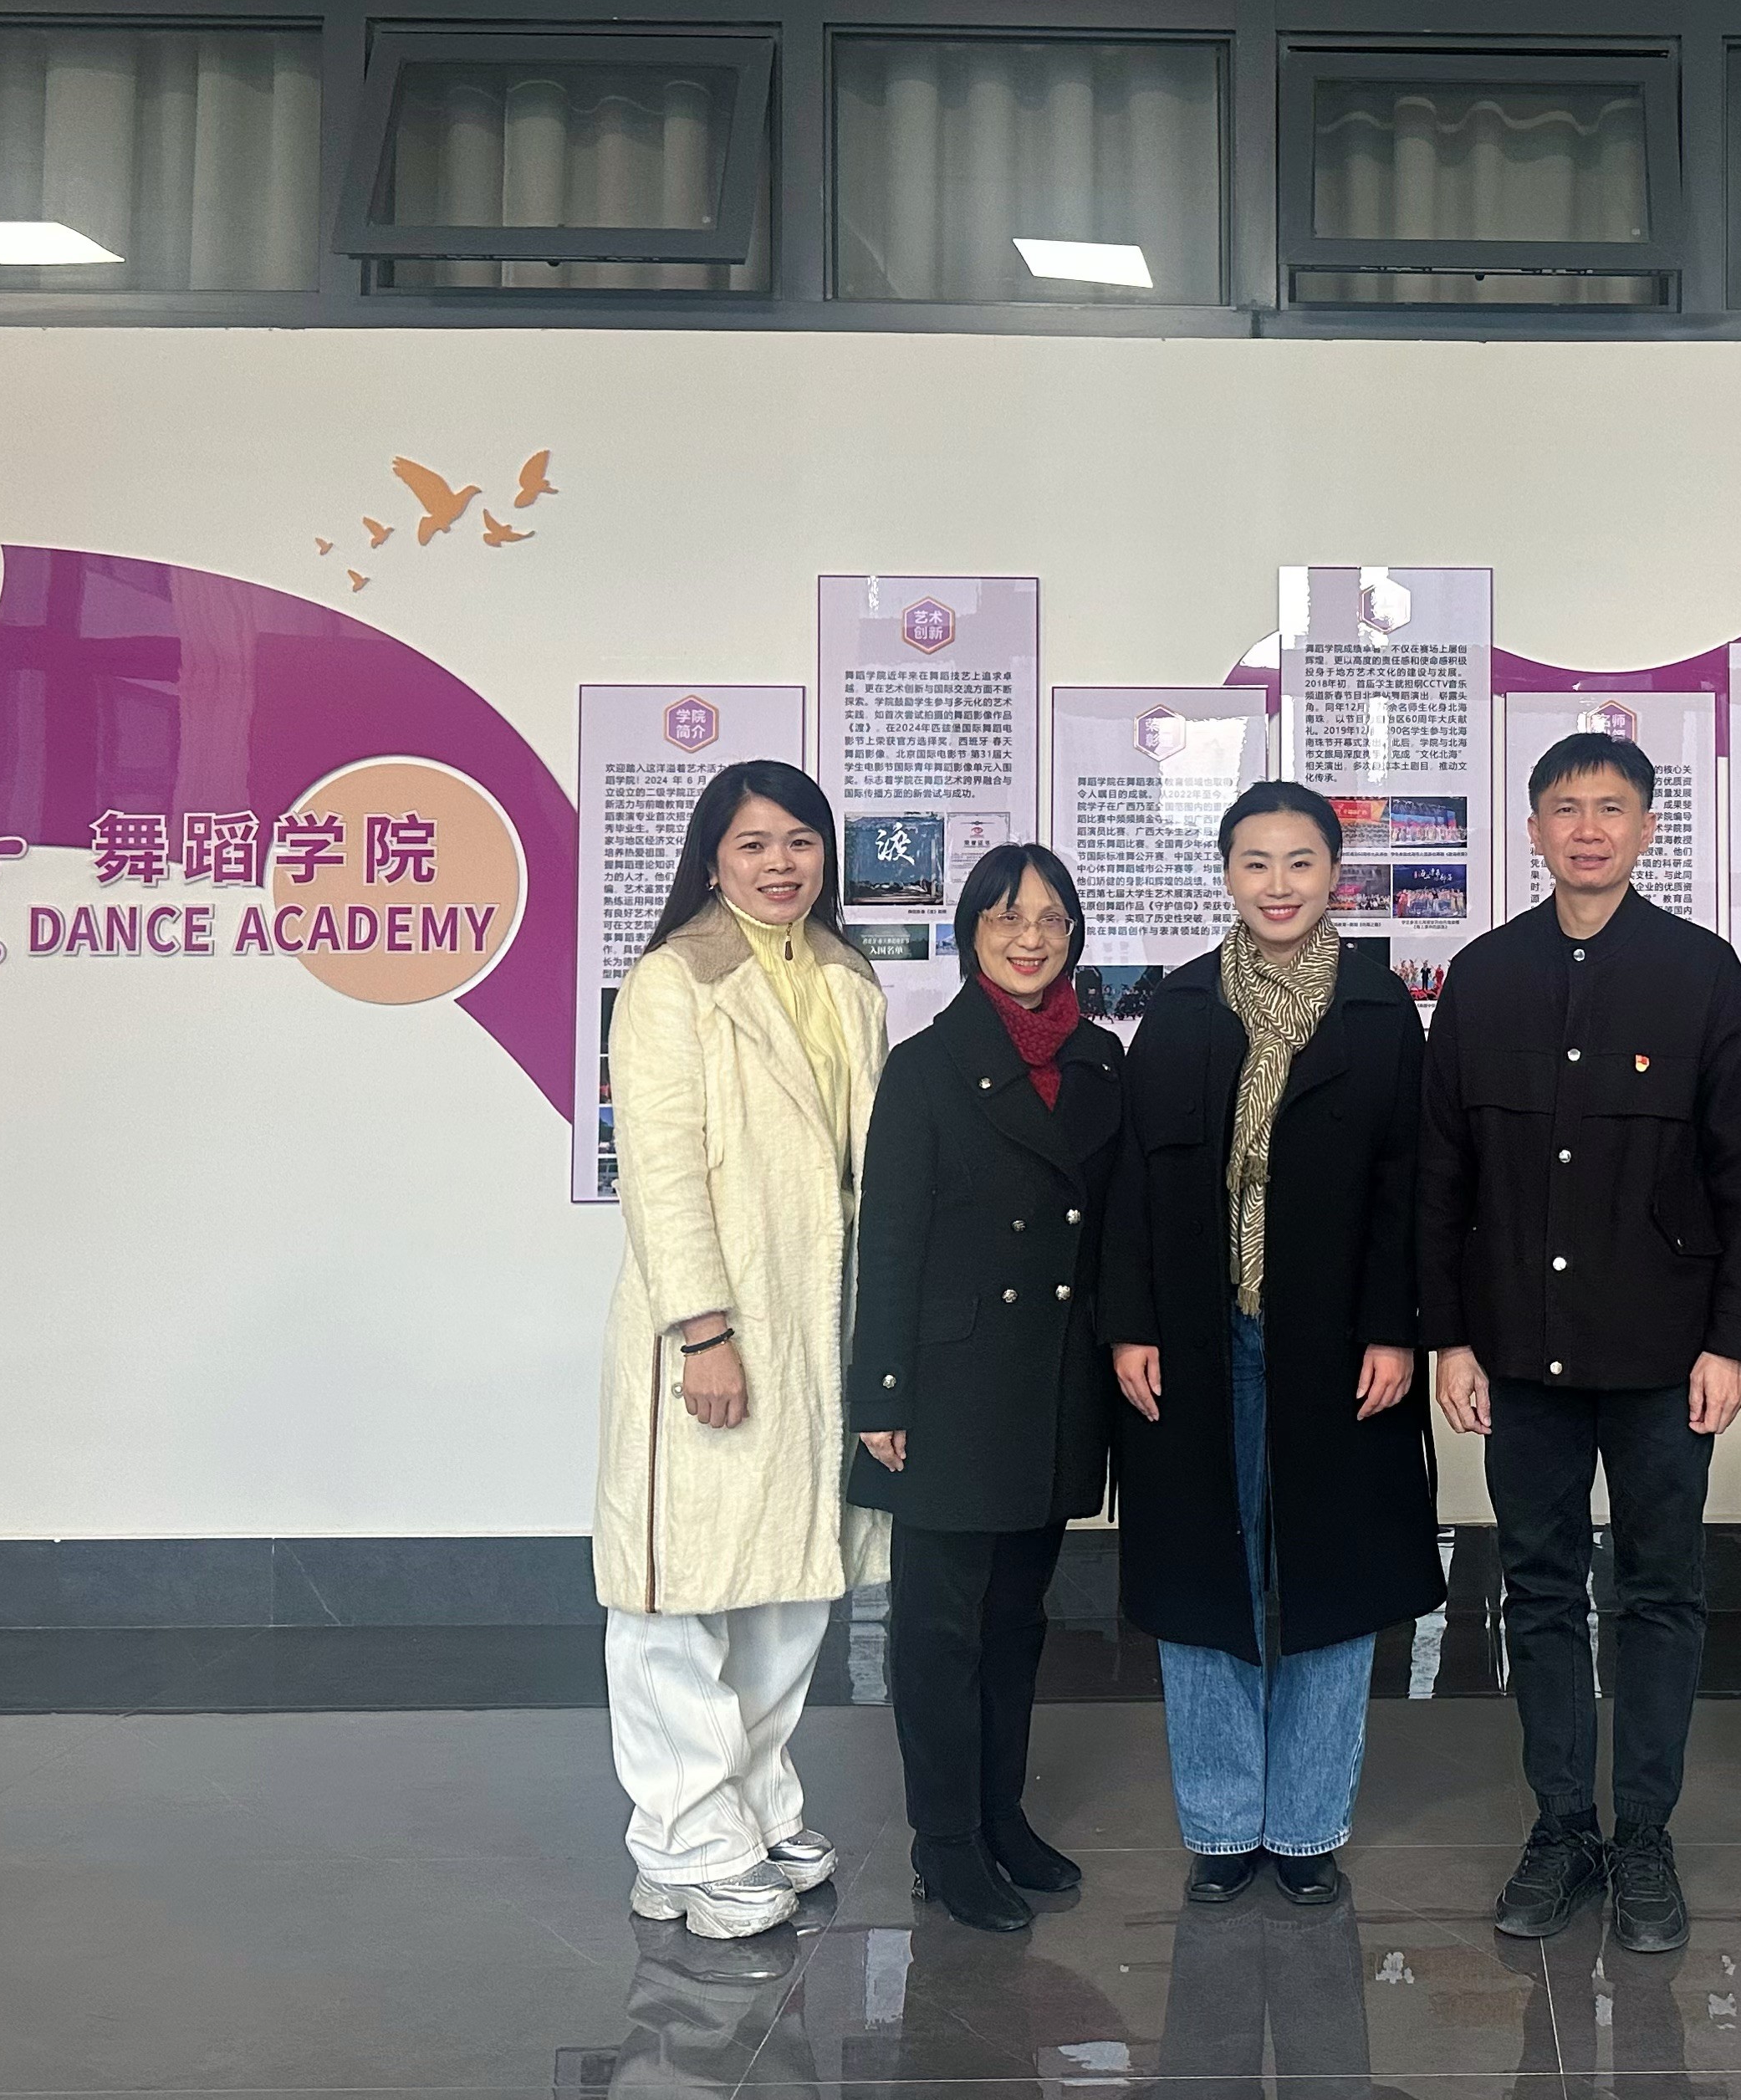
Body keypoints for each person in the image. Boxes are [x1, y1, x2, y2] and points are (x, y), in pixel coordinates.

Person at [1417, 728, 1741, 1952]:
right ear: (1532, 829)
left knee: (1662, 1591)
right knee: (1538, 1589)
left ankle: (1646, 1838)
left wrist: (1733, 1342)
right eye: (1565, 808)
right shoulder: (1485, 976)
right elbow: (1442, 1177)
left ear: (1646, 829)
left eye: (1611, 808)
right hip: (1518, 1349)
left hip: (1667, 1352)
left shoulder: (1700, 975)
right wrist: (1451, 1338)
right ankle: (1563, 1826)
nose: (1588, 829)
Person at [1105, 781, 1443, 1906]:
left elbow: (1407, 1187)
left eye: (1301, 862)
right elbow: (1134, 1183)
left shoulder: (1378, 1011)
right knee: (1207, 1567)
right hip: (1201, 1337)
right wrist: (1133, 1324)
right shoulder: (1183, 1008)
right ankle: (1218, 1824)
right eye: (1256, 863)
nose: (1279, 885)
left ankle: (1304, 1826)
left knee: (1328, 1571)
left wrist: (1396, 1330)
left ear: (1336, 874)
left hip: (1337, 1342)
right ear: (1227, 875)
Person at [591, 759, 888, 1939]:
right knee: (678, 1596)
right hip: (714, 1330)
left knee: (790, 1583)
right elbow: (659, 1172)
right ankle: (683, 1839)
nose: (780, 865)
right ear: (711, 859)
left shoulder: (846, 977)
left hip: (821, 1329)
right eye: (754, 843)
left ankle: (752, 1805)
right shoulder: (673, 980)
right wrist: (702, 1331)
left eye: (800, 842)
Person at [849, 842, 1121, 1934]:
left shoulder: (1100, 1060)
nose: (1030, 938)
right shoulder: (926, 1065)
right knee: (940, 1628)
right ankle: (947, 1842)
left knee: (1017, 1619)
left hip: (1054, 1379)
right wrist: (881, 1393)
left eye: (1051, 919)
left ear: (1073, 936)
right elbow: (889, 1239)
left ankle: (1002, 1817)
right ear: (971, 932)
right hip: (952, 1385)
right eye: (1008, 917)